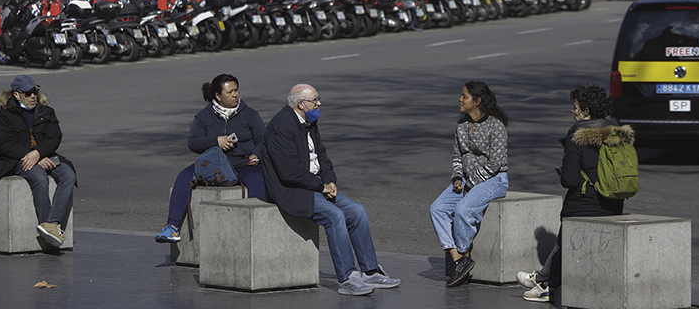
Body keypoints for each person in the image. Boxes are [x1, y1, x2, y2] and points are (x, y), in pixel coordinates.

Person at [261, 84, 401, 296]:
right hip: (292, 191)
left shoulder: (310, 121)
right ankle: (347, 278)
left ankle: (370, 271)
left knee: (357, 211)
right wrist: (320, 186)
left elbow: (322, 156)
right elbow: (290, 173)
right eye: (315, 100)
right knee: (335, 216)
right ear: (301, 104)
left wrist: (330, 180)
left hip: (316, 185)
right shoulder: (281, 126)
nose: (319, 103)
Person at [517, 83, 629, 303]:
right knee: (566, 244)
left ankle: (543, 283)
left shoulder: (577, 136)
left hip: (583, 204)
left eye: (576, 106)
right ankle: (542, 281)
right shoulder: (616, 132)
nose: (573, 110)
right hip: (614, 203)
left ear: (586, 111)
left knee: (565, 242)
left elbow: (569, 180)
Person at [155, 74, 266, 243]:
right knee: (184, 176)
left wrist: (256, 155)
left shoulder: (250, 114)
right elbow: (193, 142)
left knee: (258, 178)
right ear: (218, 96)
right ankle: (172, 227)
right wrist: (215, 141)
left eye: (236, 90)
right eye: (230, 92)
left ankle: (260, 230)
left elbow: (263, 139)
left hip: (244, 163)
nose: (235, 94)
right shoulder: (203, 116)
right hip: (213, 164)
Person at [429, 81, 509, 288]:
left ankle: (463, 254)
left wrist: (471, 183)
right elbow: (457, 155)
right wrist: (457, 178)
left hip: (493, 180)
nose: (460, 99)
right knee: (437, 208)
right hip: (466, 180)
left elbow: (495, 163)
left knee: (463, 210)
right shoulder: (462, 125)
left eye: (464, 96)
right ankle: (460, 260)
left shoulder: (495, 126)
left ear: (478, 101)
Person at [0, 75, 77, 248]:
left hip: (43, 155)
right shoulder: (5, 115)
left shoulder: (46, 111)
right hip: (17, 159)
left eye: (34, 91)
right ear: (16, 95)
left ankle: (51, 224)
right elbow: (6, 146)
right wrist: (33, 156)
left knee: (69, 175)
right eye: (27, 93)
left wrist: (39, 154)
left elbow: (54, 137)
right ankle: (46, 223)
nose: (32, 96)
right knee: (39, 177)